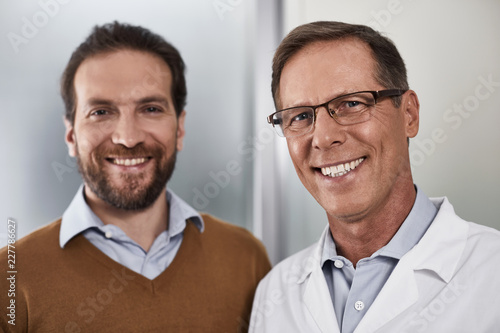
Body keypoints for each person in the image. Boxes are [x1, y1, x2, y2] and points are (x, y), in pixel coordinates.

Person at [0, 21, 270, 332]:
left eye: (151, 109)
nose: (128, 138)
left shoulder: (245, 258)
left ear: (179, 128)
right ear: (71, 135)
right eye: (101, 112)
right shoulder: (11, 277)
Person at [249, 21, 500, 332]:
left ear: (409, 114)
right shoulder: (274, 294)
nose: (324, 137)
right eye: (300, 116)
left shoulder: (493, 274)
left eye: (351, 104)